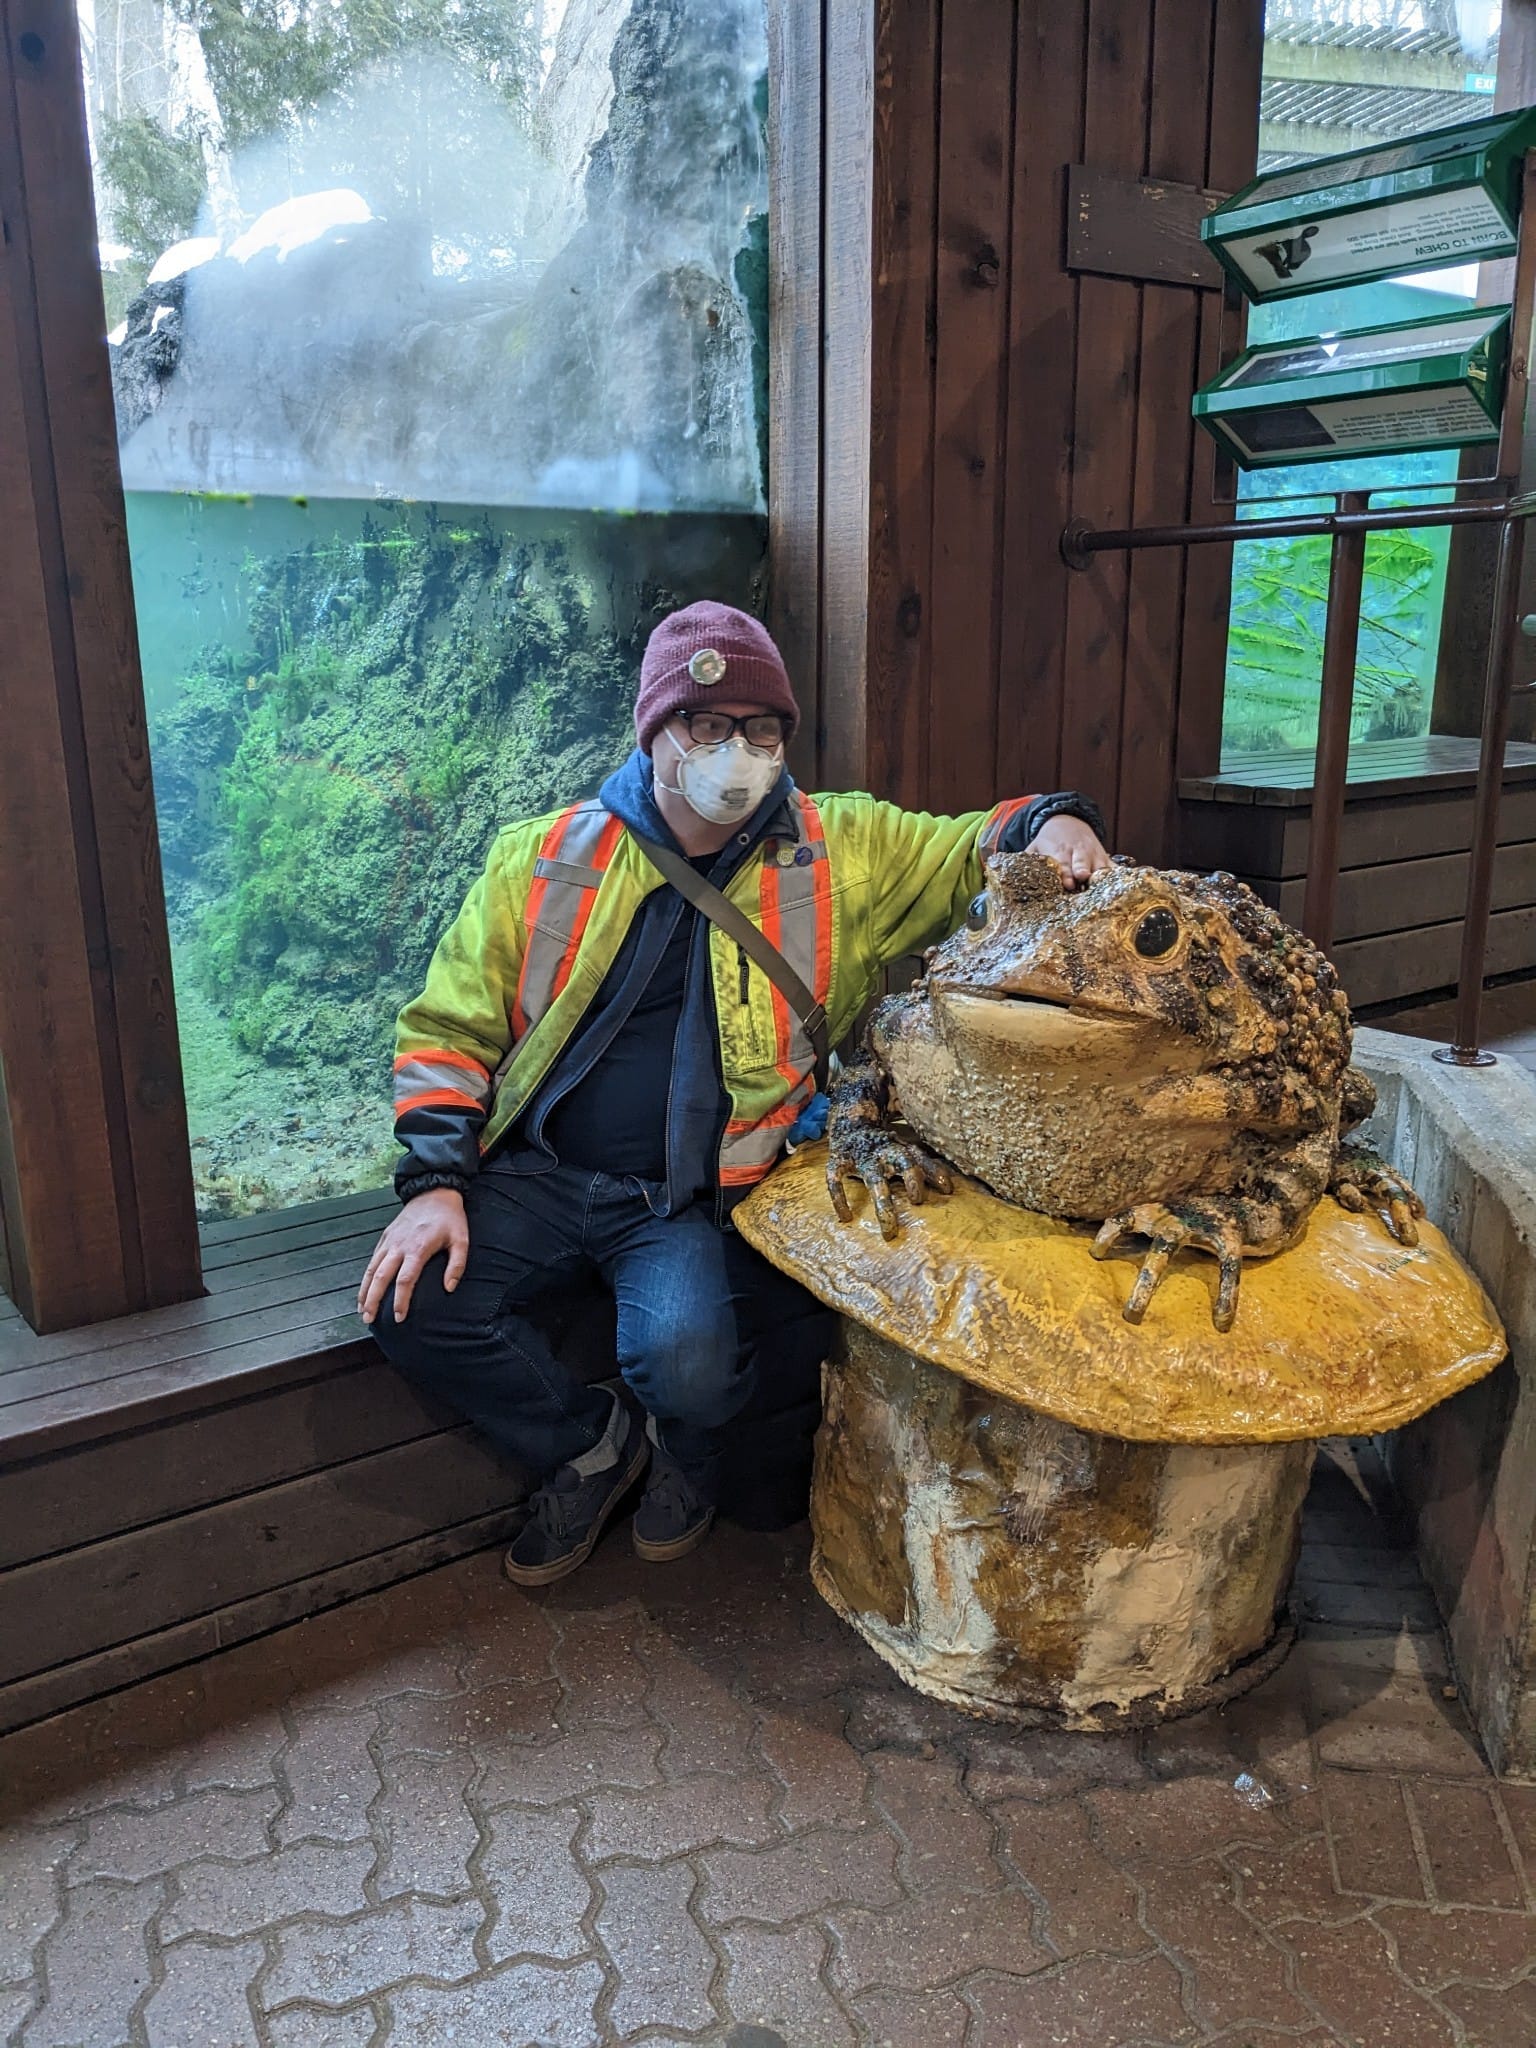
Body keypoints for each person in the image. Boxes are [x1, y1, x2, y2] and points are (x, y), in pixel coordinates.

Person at [359, 601, 1110, 1585]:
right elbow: (447, 1028)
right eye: (706, 726)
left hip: (681, 1198)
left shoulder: (840, 846)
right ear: (654, 731)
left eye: (761, 730)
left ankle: (688, 1458)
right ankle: (591, 1443)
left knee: (691, 1361)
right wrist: (436, 1185)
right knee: (410, 1305)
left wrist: (1061, 821)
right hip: (533, 1171)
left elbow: (976, 838)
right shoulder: (544, 855)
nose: (738, 752)